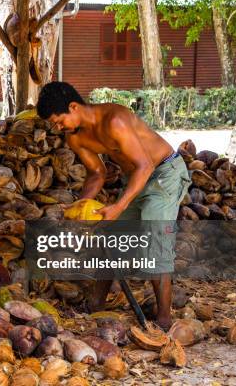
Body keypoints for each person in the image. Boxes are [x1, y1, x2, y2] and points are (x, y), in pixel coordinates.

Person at [36, 81, 191, 330]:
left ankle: (164, 320)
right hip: (136, 178)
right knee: (110, 237)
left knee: (155, 242)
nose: (57, 128)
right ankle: (96, 304)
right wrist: (82, 207)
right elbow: (98, 173)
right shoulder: (75, 137)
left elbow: (146, 165)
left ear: (73, 106)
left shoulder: (114, 120)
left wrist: (118, 207)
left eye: (58, 120)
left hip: (164, 173)